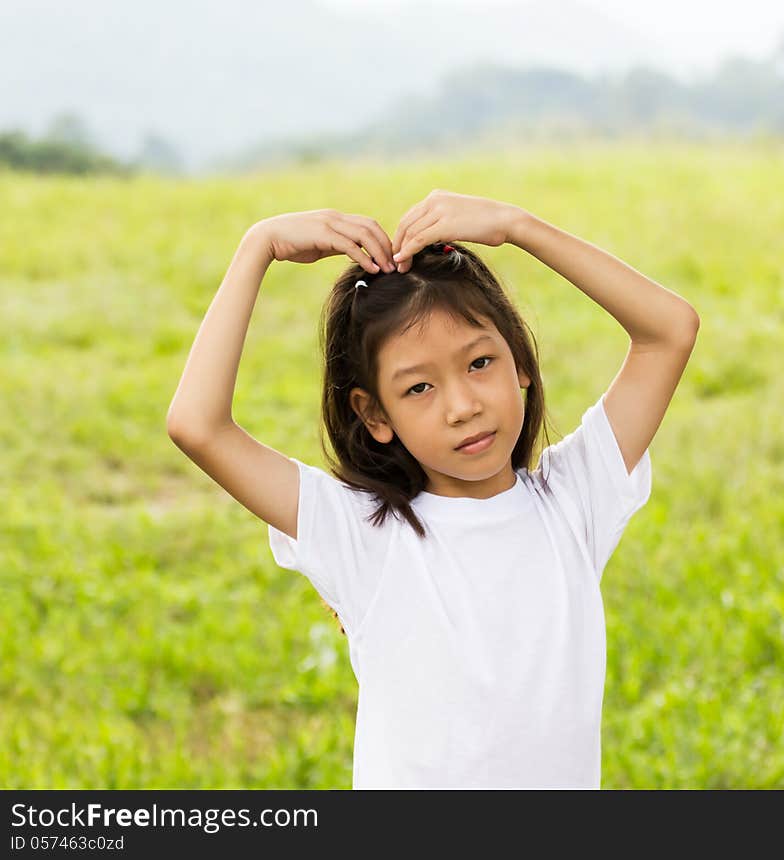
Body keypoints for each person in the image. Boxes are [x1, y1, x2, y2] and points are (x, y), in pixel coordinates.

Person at [166, 189, 700, 789]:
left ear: (520, 362)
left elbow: (670, 330)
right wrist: (258, 246)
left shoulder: (573, 502)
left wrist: (516, 226)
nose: (463, 407)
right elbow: (197, 424)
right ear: (375, 415)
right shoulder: (362, 534)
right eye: (420, 388)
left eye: (479, 364)